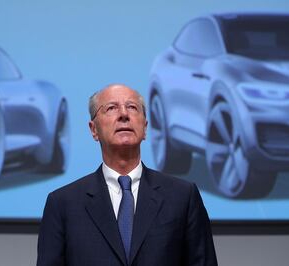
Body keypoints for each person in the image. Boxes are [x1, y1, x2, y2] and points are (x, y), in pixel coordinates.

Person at [37, 84, 218, 266]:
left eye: (132, 107)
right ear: (94, 130)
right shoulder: (63, 204)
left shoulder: (182, 197)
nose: (124, 114)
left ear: (145, 128)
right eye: (111, 108)